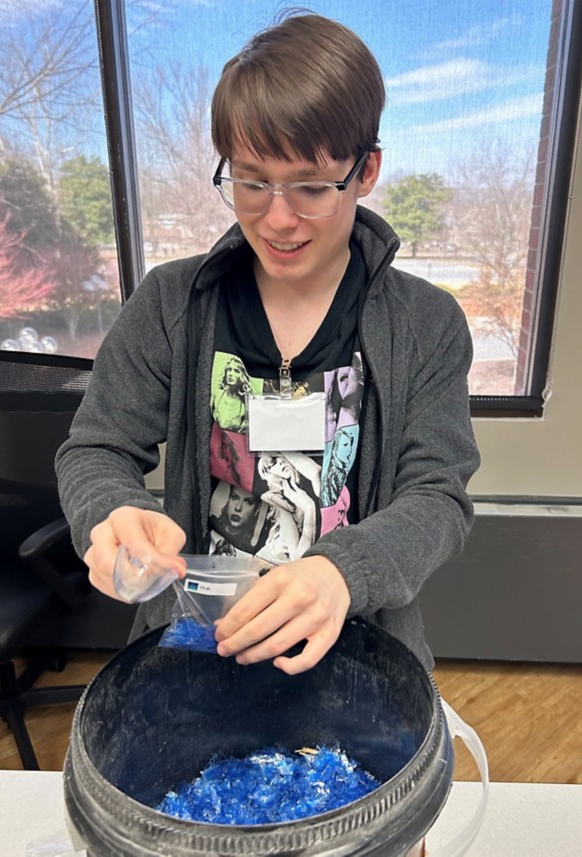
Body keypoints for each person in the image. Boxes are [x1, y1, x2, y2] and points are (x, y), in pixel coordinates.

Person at [56, 11, 479, 677]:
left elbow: (437, 496)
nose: (278, 219)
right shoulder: (171, 303)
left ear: (365, 170)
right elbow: (97, 448)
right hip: (198, 648)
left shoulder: (427, 325)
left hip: (361, 651)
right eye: (252, 182)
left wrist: (344, 572)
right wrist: (114, 512)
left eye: (311, 187)